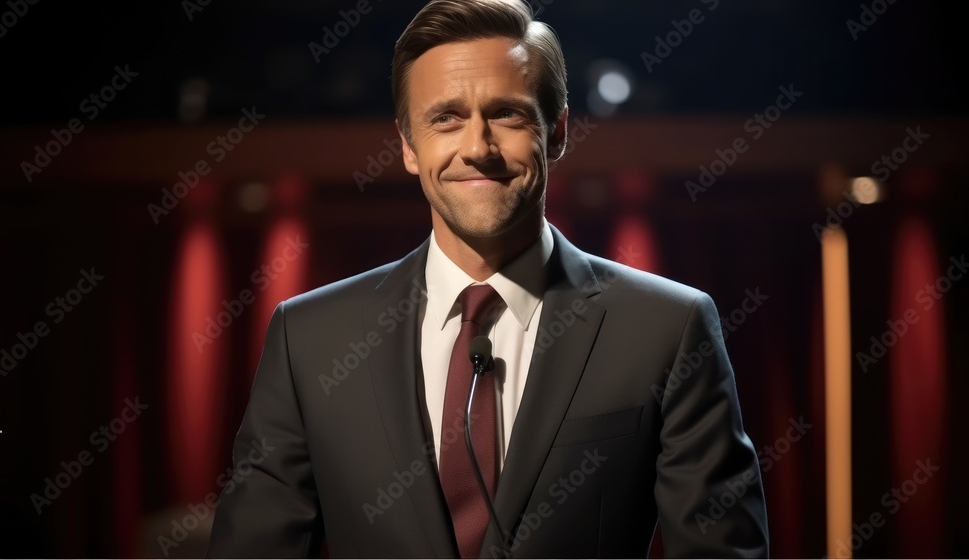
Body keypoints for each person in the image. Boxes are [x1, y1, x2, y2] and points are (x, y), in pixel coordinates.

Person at [207, 0, 769, 557]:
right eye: (445, 118)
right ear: (407, 145)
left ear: (557, 133)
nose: (477, 148)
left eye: (507, 114)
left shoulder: (666, 328)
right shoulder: (308, 338)